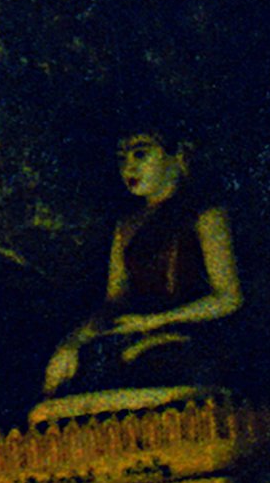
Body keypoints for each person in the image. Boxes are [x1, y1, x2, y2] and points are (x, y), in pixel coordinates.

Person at [42, 128, 243, 400]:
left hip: (194, 334)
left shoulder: (205, 213)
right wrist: (72, 343)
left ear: (179, 155)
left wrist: (156, 320)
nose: (129, 167)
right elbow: (115, 301)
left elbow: (229, 297)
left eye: (140, 154)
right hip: (136, 334)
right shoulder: (126, 225)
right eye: (122, 158)